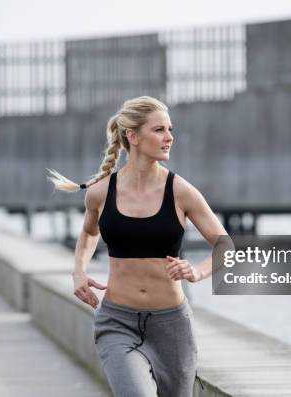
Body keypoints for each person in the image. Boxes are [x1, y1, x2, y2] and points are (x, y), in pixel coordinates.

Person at [47, 96, 228, 397]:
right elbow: (89, 234)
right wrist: (78, 271)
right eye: (159, 130)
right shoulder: (100, 193)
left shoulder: (181, 191)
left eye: (170, 129)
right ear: (133, 136)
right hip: (118, 322)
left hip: (172, 327)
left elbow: (226, 246)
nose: (169, 137)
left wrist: (197, 271)